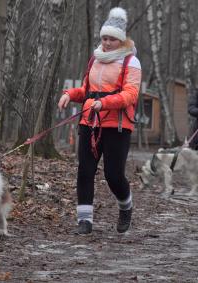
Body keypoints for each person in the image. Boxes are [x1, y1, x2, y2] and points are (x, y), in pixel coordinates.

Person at [57, 7, 141, 235]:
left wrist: (105, 103)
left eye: (112, 39)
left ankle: (126, 206)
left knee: (113, 175)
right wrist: (69, 95)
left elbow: (130, 95)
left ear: (121, 40)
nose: (107, 43)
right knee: (85, 171)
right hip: (89, 123)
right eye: (104, 38)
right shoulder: (95, 58)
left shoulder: (131, 62)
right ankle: (85, 221)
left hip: (118, 126)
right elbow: (86, 90)